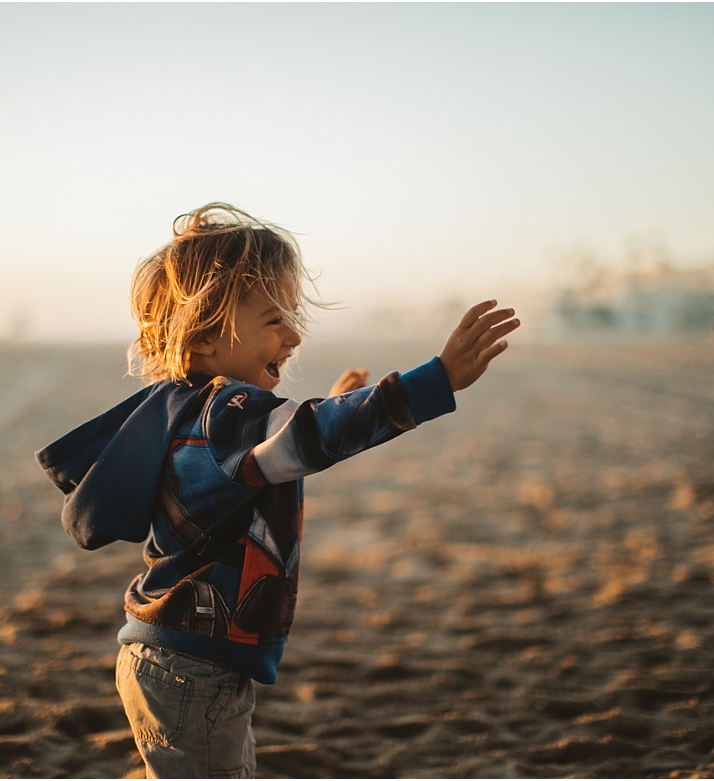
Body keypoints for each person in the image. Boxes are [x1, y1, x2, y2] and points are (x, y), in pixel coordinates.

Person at [35, 203, 519, 778]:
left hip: (176, 657)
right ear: (206, 338)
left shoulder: (194, 412)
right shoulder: (225, 415)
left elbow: (282, 454)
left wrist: (332, 408)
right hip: (192, 667)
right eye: (272, 320)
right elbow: (309, 435)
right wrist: (434, 380)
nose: (293, 334)